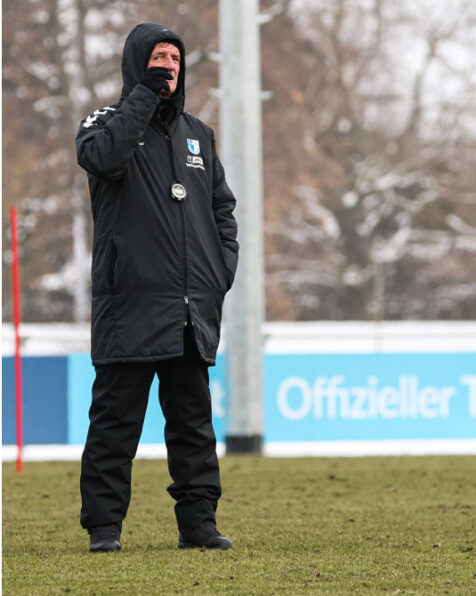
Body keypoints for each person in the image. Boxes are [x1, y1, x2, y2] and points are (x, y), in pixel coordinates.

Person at [76, 23, 238, 552]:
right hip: (130, 308)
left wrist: (219, 273)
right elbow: (103, 160)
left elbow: (222, 212)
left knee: (194, 429)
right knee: (114, 428)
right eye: (157, 57)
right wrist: (143, 95)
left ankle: (199, 526)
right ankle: (104, 530)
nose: (168, 64)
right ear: (136, 62)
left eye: (174, 57)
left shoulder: (199, 134)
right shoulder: (104, 124)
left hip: (190, 312)